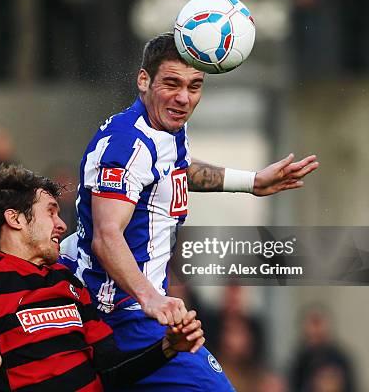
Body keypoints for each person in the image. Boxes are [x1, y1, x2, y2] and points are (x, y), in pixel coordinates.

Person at [60, 32, 319, 391]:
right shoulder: (126, 145)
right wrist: (151, 299)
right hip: (121, 315)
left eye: (195, 86)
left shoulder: (163, 131)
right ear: (143, 80)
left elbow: (175, 168)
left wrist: (252, 182)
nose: (184, 98)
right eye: (172, 83)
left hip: (138, 309)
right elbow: (107, 236)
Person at [0, 164, 206, 392]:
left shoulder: (69, 283)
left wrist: (168, 347)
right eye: (50, 211)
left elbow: (111, 372)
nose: (62, 224)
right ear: (15, 218)